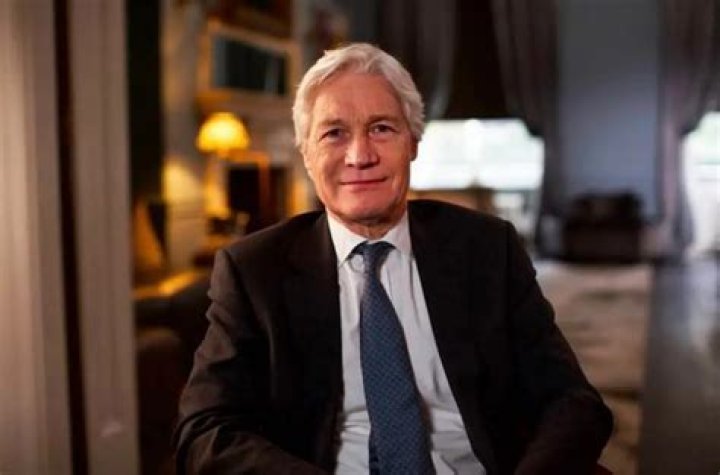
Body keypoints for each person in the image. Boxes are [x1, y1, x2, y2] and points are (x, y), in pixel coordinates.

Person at [174, 43, 612, 475]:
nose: (360, 156)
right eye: (334, 133)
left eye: (381, 128)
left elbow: (573, 401)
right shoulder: (254, 271)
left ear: (413, 142)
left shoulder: (488, 248)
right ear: (306, 154)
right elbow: (205, 430)